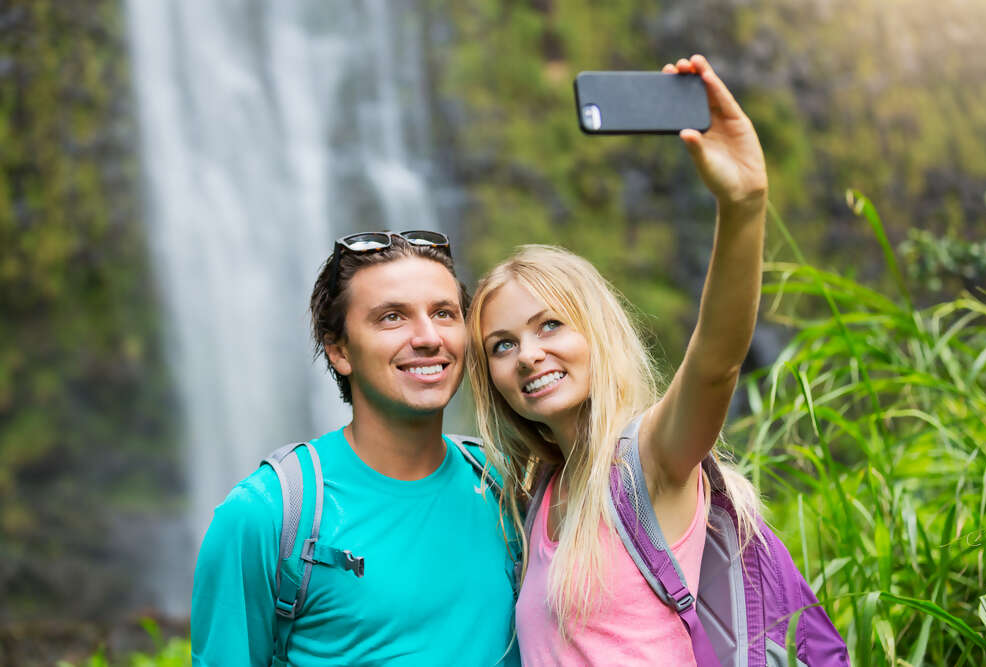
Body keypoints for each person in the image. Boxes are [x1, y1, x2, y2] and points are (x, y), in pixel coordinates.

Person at [466, 55, 767, 664]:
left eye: (550, 325)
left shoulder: (649, 459)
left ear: (597, 334)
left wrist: (744, 205)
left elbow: (716, 363)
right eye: (503, 345)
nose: (529, 355)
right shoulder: (540, 494)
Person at [191, 231, 518, 665]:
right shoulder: (268, 513)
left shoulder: (508, 488)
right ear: (340, 350)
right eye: (391, 318)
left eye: (443, 313)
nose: (427, 337)